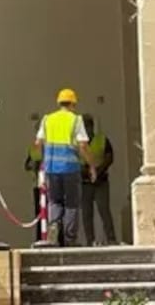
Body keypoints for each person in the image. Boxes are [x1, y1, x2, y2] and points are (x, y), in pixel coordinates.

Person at [35, 88, 95, 247]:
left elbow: (38, 142)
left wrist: (43, 163)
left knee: (54, 201)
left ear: (59, 103)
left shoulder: (47, 119)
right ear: (73, 104)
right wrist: (91, 165)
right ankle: (70, 239)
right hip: (70, 168)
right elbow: (83, 145)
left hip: (51, 168)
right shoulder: (76, 120)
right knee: (72, 203)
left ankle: (54, 228)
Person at [80, 113, 117, 246]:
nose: (86, 129)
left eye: (88, 126)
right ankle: (90, 241)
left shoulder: (102, 140)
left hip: (101, 181)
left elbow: (109, 157)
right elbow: (75, 161)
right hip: (84, 182)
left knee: (104, 210)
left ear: (92, 126)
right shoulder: (78, 144)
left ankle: (111, 239)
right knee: (86, 213)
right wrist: (86, 171)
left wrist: (98, 170)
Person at [24, 113, 45, 242]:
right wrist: (33, 164)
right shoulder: (33, 147)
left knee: (54, 214)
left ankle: (57, 240)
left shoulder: (52, 145)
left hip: (51, 185)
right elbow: (26, 164)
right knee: (39, 213)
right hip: (37, 185)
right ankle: (40, 239)